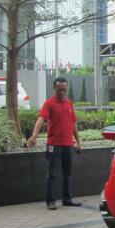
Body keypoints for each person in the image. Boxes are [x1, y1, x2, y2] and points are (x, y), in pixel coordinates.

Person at [26, 77, 82, 210]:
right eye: (59, 90)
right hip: (54, 145)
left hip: (68, 145)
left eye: (64, 90)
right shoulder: (49, 103)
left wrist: (78, 143)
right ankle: (51, 201)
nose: (62, 92)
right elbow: (41, 119)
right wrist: (34, 136)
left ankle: (67, 199)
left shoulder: (69, 103)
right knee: (52, 174)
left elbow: (73, 124)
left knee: (67, 174)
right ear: (54, 89)